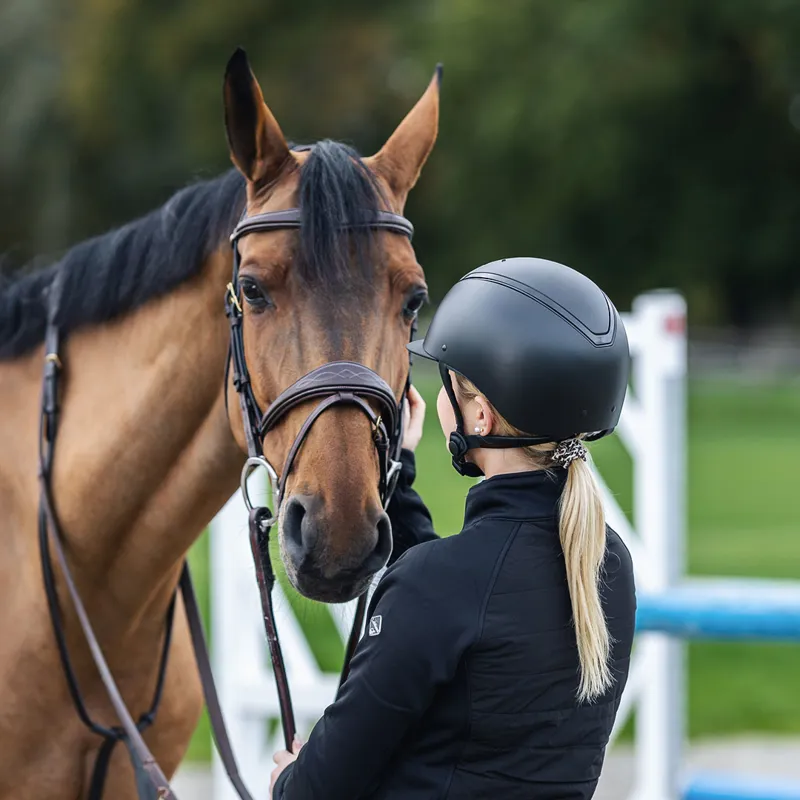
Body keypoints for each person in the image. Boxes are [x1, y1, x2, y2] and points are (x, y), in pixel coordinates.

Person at [270, 257, 637, 800]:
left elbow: (316, 791)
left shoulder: (441, 585)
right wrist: (401, 473)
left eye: (446, 384)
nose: (438, 398)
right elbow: (469, 607)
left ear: (481, 416)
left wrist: (286, 781)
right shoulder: (606, 561)